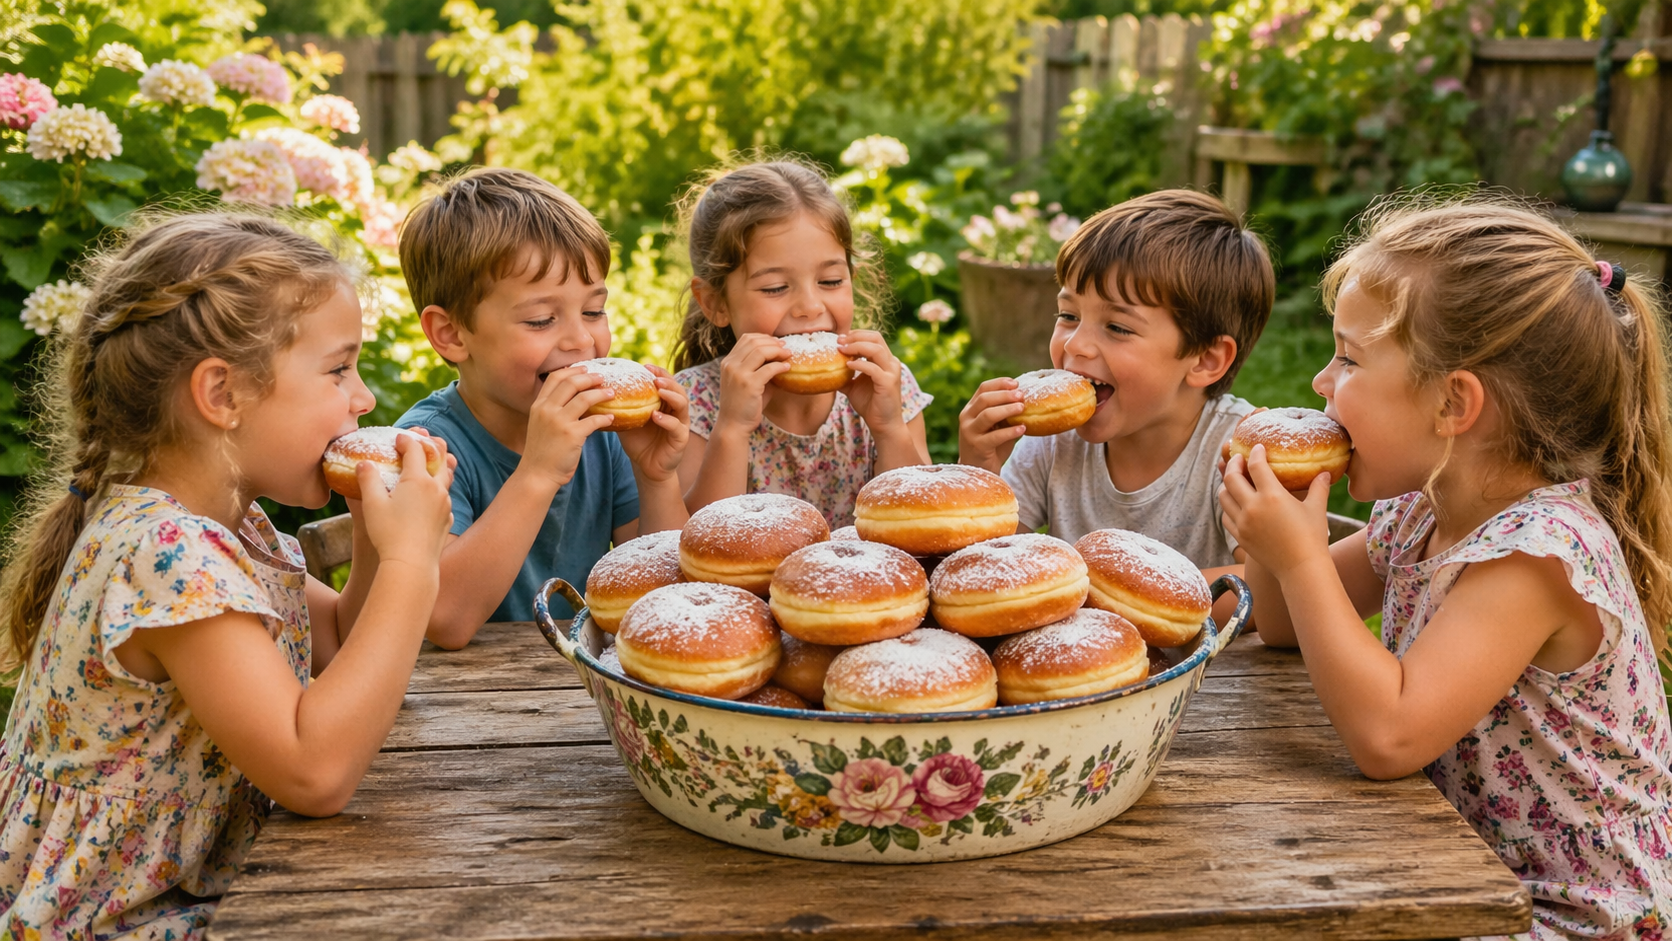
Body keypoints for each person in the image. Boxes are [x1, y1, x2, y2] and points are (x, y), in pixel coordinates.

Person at [1220, 196, 1672, 938]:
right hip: (1452, 864)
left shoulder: (1536, 554)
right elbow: (1278, 627)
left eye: (1349, 357)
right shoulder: (1421, 508)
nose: (1320, 384)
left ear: (1454, 403)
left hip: (1564, 913)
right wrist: (1276, 543)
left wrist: (1299, 558)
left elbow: (1389, 737)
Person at [0, 213, 455, 937]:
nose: (363, 398)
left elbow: (337, 640)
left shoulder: (225, 525)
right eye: (339, 369)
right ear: (222, 395)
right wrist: (411, 566)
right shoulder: (167, 553)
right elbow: (315, 771)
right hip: (117, 918)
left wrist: (373, 539)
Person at [397, 168, 690, 646]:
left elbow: (666, 597)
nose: (581, 340)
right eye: (541, 320)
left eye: (593, 311)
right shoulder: (428, 448)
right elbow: (445, 620)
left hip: (579, 686)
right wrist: (538, 471)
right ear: (451, 334)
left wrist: (656, 476)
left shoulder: (602, 435)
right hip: (462, 700)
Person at [959, 190, 1273, 611]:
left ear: (1204, 360)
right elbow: (981, 573)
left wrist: (1104, 596)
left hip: (1219, 675)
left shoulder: (1232, 452)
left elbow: (1268, 588)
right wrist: (978, 473)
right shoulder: (1051, 441)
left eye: (1118, 327)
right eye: (1068, 316)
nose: (1076, 344)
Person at [671, 159, 931, 528]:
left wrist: (889, 428)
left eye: (830, 281)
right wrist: (731, 429)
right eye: (775, 288)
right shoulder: (696, 403)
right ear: (715, 302)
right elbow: (697, 541)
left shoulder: (888, 384)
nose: (810, 307)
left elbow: (920, 523)